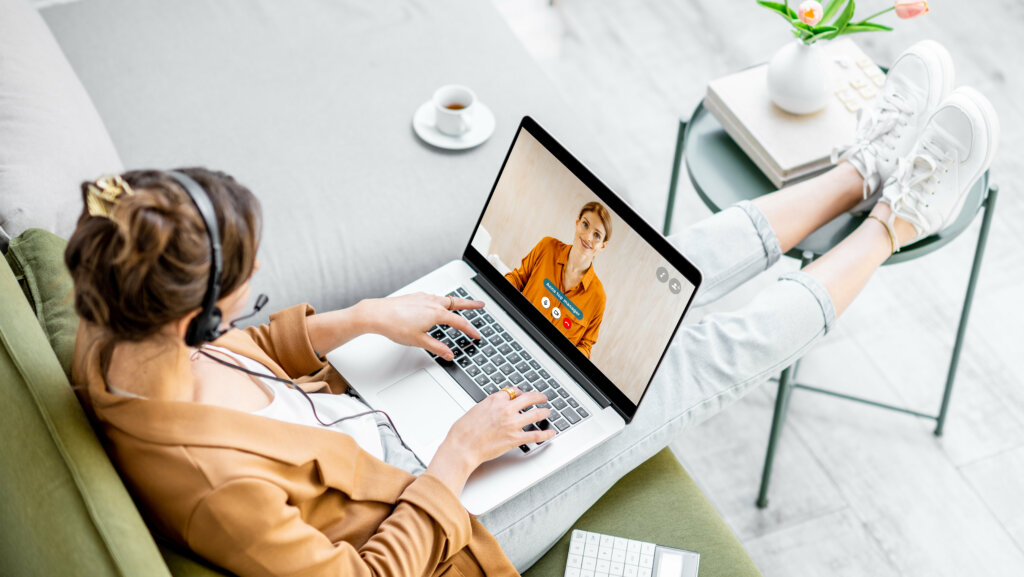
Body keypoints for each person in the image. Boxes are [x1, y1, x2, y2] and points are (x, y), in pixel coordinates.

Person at [67, 40, 997, 576]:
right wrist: (460, 454)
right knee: (676, 377)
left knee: (653, 274)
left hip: (378, 421)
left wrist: (357, 323)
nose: (255, 303)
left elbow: (258, 351)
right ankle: (900, 219)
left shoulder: (113, 323)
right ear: (194, 319)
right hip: (443, 522)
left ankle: (856, 171)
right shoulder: (220, 489)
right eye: (248, 290)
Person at [504, 202, 610, 358]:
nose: (588, 237)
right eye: (585, 225)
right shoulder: (547, 247)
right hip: (514, 333)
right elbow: (517, 278)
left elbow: (585, 346)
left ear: (602, 246)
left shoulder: (598, 297)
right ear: (577, 223)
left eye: (597, 235)